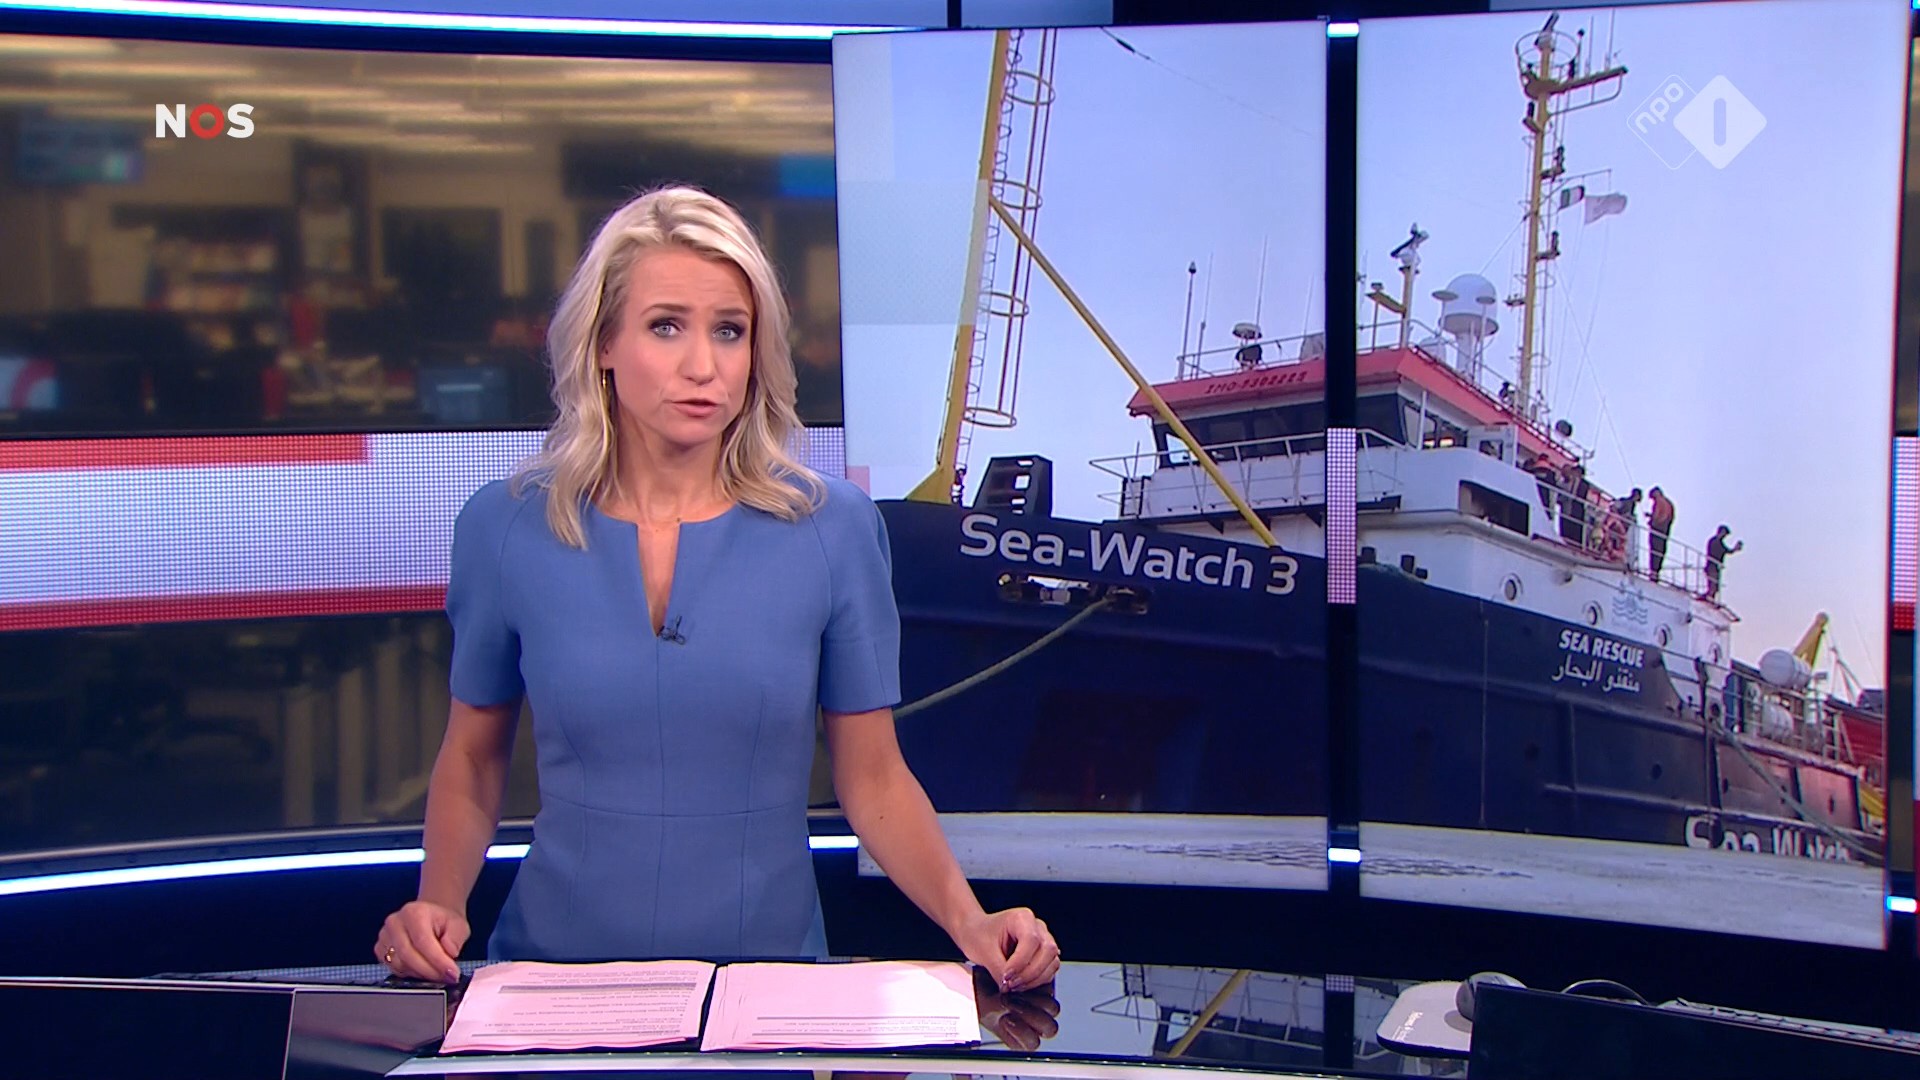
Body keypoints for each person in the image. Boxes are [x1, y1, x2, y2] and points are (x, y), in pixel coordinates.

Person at [375, 187, 1059, 992]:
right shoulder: (506, 527)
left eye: (729, 331)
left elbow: (873, 777)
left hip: (765, 991)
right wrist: (436, 903)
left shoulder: (833, 529)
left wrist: (969, 920)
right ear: (603, 342)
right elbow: (472, 756)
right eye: (666, 326)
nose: (703, 366)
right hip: (550, 984)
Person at [1704, 524, 1743, 602]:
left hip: (1714, 566)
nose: (1725, 536)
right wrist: (1734, 549)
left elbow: (1726, 551)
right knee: (1713, 585)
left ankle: (1710, 598)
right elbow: (1722, 551)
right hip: (1712, 566)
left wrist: (1734, 549)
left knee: (1714, 585)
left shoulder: (1717, 542)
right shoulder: (1715, 541)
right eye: (1725, 534)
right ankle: (1709, 598)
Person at [1646, 486, 1675, 582]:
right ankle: (1656, 572)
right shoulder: (1669, 503)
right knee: (1661, 552)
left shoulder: (1659, 501)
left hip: (1657, 530)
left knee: (1654, 551)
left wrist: (1652, 522)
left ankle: (1653, 572)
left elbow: (1658, 515)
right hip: (1665, 532)